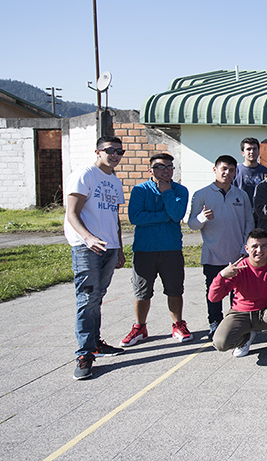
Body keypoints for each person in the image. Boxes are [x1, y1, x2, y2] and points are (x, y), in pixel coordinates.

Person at [65, 135, 127, 380]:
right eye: (109, 150)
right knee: (87, 299)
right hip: (87, 248)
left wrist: (119, 249)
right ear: (97, 151)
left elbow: (114, 219)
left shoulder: (114, 181)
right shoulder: (85, 175)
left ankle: (95, 343)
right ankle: (84, 353)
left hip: (109, 248)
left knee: (97, 298)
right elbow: (71, 213)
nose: (115, 155)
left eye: (119, 152)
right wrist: (88, 238)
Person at [123, 153, 191, 347]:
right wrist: (165, 215)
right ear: (150, 170)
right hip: (145, 249)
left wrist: (167, 192)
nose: (166, 170)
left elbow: (177, 214)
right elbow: (136, 218)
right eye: (161, 167)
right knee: (142, 291)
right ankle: (140, 327)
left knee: (175, 289)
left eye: (170, 167)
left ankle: (178, 324)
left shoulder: (180, 190)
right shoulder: (139, 190)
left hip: (171, 249)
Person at [187, 155, 253, 338]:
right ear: (215, 170)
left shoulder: (241, 195)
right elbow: (191, 223)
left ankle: (235, 323)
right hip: (213, 253)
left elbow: (249, 222)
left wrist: (245, 248)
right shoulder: (201, 194)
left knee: (238, 291)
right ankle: (214, 322)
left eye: (232, 170)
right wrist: (202, 218)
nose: (227, 173)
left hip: (237, 254)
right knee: (213, 291)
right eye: (224, 169)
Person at [209, 228, 267, 361]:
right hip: (241, 314)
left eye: (263, 246)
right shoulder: (238, 268)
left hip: (265, 313)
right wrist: (221, 276)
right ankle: (245, 338)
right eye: (254, 246)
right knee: (220, 343)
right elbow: (213, 297)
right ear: (246, 248)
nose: (259, 250)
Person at [232, 137, 267, 206]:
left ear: (258, 151)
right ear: (243, 153)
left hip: (260, 213)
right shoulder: (235, 171)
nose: (252, 152)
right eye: (248, 149)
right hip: (240, 212)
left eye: (254, 149)